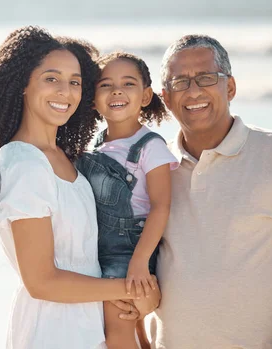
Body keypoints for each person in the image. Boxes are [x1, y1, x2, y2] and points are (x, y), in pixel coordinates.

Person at [0, 27, 161, 349]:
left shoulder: (67, 159)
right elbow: (42, 282)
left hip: (89, 327)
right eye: (51, 78)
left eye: (75, 82)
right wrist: (132, 289)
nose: (65, 91)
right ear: (22, 85)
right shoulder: (24, 164)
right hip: (53, 332)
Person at [150, 34, 272, 349]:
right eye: (180, 83)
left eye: (205, 78)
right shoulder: (155, 169)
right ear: (166, 98)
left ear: (229, 87)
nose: (194, 91)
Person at [75, 52, 178, 349]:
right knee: (137, 334)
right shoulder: (95, 145)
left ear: (145, 96)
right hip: (97, 252)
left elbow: (161, 207)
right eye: (106, 85)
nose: (117, 91)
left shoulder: (150, 146)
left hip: (128, 254)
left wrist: (138, 263)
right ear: (93, 99)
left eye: (128, 84)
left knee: (117, 334)